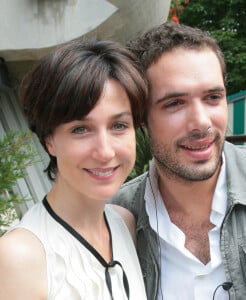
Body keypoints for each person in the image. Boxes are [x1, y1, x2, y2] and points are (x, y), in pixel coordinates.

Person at [109, 21, 246, 300]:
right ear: (140, 117)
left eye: (213, 97)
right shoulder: (114, 221)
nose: (201, 122)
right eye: (174, 103)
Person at [0, 39, 148, 300]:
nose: (105, 151)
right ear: (49, 141)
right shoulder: (20, 257)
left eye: (119, 126)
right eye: (80, 129)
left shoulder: (125, 222)